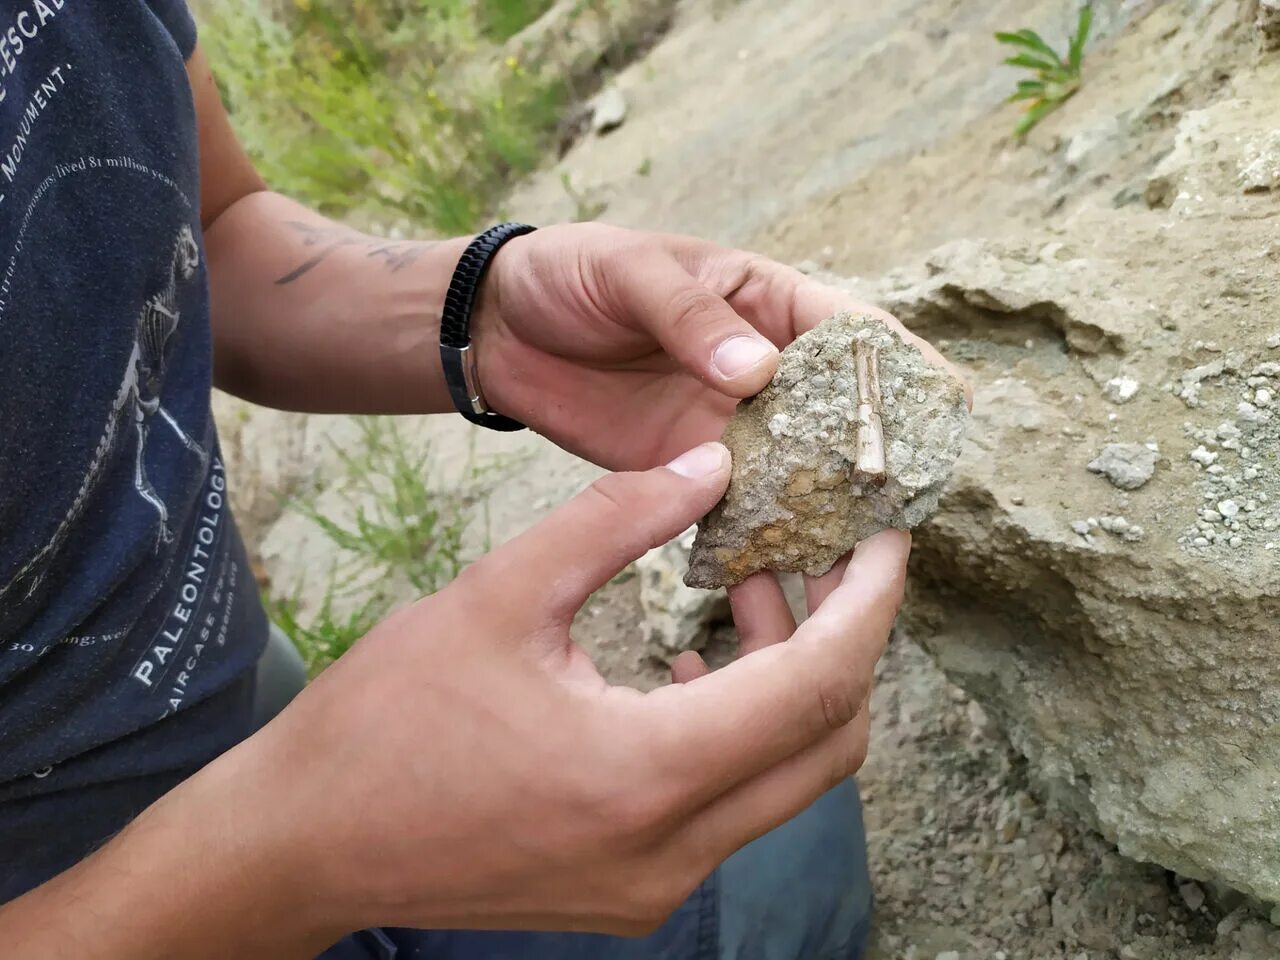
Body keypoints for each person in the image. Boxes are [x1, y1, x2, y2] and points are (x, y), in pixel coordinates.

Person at [0, 3, 960, 957]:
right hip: (91, 885)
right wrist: (297, 850)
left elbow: (210, 227)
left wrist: (486, 312)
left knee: (794, 853)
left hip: (240, 703)